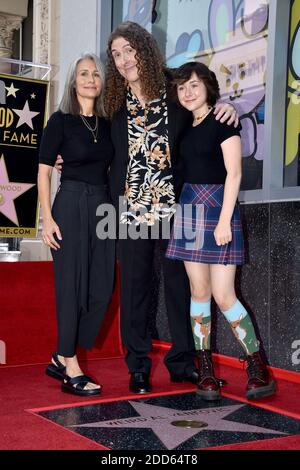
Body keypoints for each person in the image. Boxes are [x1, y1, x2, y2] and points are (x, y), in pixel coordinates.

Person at [104, 21, 239, 394]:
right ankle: (138, 366)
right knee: (135, 288)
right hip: (131, 210)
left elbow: (201, 103)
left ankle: (182, 362)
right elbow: (98, 144)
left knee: (182, 286)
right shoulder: (113, 103)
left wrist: (224, 107)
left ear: (144, 50)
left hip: (180, 206)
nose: (123, 59)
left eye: (129, 50)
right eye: (116, 54)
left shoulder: (173, 91)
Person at [166, 61, 276, 401]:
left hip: (218, 210)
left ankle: (258, 368)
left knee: (224, 294)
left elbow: (235, 174)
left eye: (194, 85)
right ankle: (206, 372)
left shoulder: (224, 121)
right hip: (188, 210)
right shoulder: (183, 125)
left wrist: (225, 220)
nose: (188, 92)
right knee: (198, 292)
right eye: (182, 87)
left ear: (208, 87)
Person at [38, 53, 115, 396]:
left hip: (103, 207)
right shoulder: (60, 120)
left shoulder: (109, 123)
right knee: (70, 288)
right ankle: (70, 363)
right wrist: (47, 219)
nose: (90, 79)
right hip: (69, 203)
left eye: (96, 74)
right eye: (83, 73)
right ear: (74, 81)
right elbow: (43, 171)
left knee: (101, 288)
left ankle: (60, 352)